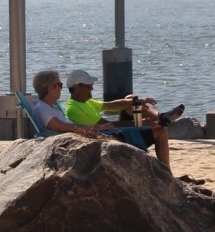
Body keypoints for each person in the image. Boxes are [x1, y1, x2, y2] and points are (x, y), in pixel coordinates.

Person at [28, 68, 177, 170]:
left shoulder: (51, 107)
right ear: (50, 88)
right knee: (160, 132)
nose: (61, 88)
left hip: (96, 135)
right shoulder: (43, 108)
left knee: (133, 101)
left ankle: (160, 117)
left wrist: (138, 101)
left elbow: (111, 106)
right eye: (59, 85)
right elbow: (60, 127)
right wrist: (93, 128)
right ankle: (167, 173)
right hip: (97, 139)